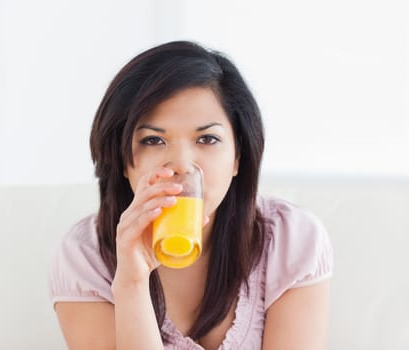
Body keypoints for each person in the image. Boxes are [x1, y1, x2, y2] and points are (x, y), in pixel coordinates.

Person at [49, 41, 333, 350]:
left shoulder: (291, 240)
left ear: (238, 156)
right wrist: (131, 285)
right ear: (122, 163)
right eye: (154, 140)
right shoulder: (85, 255)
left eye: (207, 139)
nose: (182, 164)